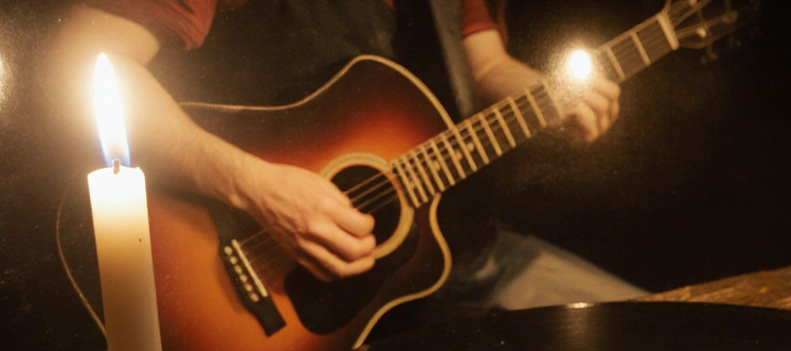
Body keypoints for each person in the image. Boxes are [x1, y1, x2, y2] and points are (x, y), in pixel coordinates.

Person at [44, 0, 645, 322]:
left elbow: (482, 63)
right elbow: (85, 68)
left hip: (465, 255)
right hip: (293, 310)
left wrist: (546, 96)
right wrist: (257, 188)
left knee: (648, 349)